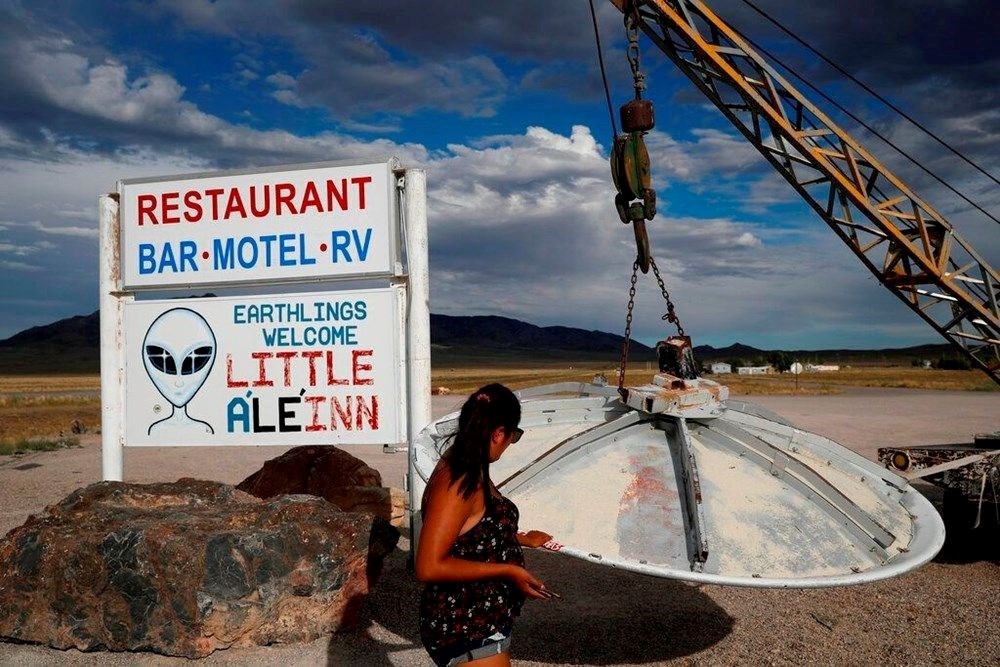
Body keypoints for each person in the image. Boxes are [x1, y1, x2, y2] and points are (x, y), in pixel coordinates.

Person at [416, 383, 554, 666]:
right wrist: (510, 570)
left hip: (480, 620)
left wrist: (519, 538)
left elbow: (470, 529)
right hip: (465, 626)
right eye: (514, 436)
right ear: (498, 433)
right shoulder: (458, 481)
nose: (510, 443)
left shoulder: (469, 463)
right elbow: (428, 566)